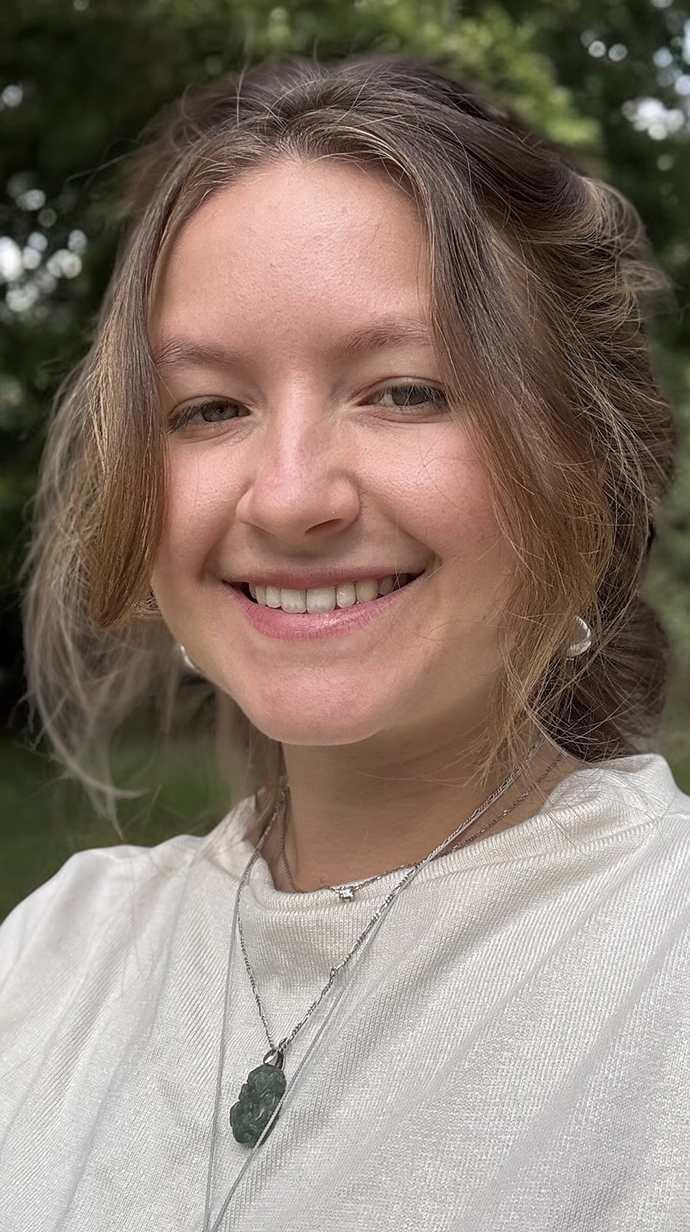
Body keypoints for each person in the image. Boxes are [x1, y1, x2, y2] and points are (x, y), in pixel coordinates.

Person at [0, 52, 688, 1232]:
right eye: (209, 407)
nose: (289, 495)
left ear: (586, 464)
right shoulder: (53, 953)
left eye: (405, 389)